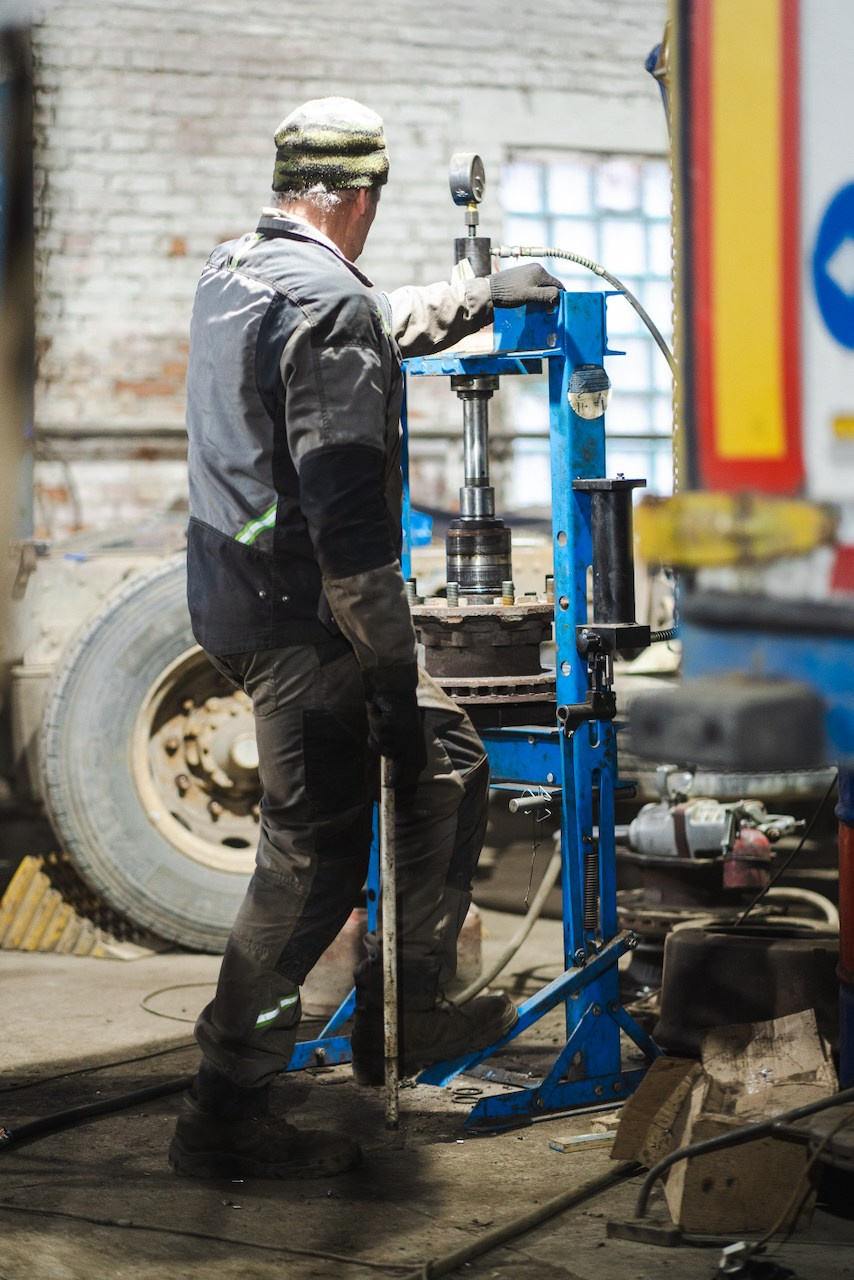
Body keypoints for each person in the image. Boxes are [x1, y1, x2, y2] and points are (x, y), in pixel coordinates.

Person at [169, 97, 564, 1180]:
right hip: (308, 616)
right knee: (311, 864)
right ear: (355, 195)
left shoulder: (237, 266)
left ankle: (408, 1006)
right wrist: (391, 673)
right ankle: (225, 1106)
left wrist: (473, 297)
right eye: (376, 200)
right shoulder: (325, 301)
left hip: (239, 593)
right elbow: (353, 540)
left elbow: (355, 323)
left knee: (449, 757)